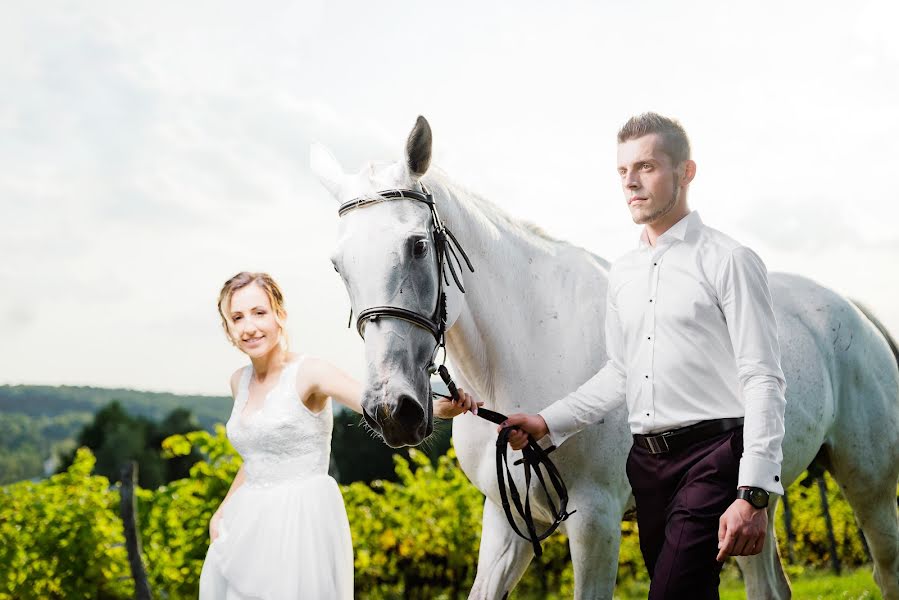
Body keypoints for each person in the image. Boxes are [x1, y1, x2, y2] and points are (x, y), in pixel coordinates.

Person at [500, 113, 786, 599]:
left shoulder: (729, 261)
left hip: (713, 457)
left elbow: (763, 379)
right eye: (622, 170)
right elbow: (620, 373)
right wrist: (546, 421)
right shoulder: (624, 274)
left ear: (686, 172)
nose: (631, 181)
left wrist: (754, 493)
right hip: (647, 468)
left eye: (647, 166)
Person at [199, 271, 478, 599]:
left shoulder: (310, 373)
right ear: (228, 329)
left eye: (259, 312)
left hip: (299, 520)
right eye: (237, 317)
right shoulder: (238, 381)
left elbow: (374, 402)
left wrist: (439, 408)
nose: (249, 327)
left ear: (280, 315)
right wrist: (222, 511)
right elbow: (257, 457)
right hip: (246, 525)